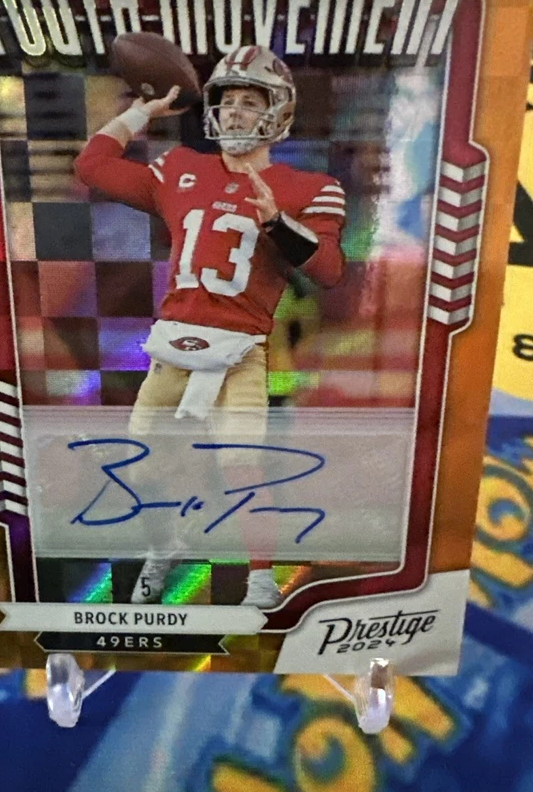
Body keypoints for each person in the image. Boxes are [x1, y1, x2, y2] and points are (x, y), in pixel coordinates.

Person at [75, 45, 346, 608]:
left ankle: (260, 579)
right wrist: (141, 113)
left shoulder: (310, 187)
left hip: (241, 351)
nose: (236, 111)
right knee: (141, 466)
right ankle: (164, 546)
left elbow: (329, 271)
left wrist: (277, 223)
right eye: (227, 99)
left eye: (251, 100)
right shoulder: (179, 168)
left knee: (242, 467)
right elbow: (91, 166)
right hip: (173, 346)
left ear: (278, 111)